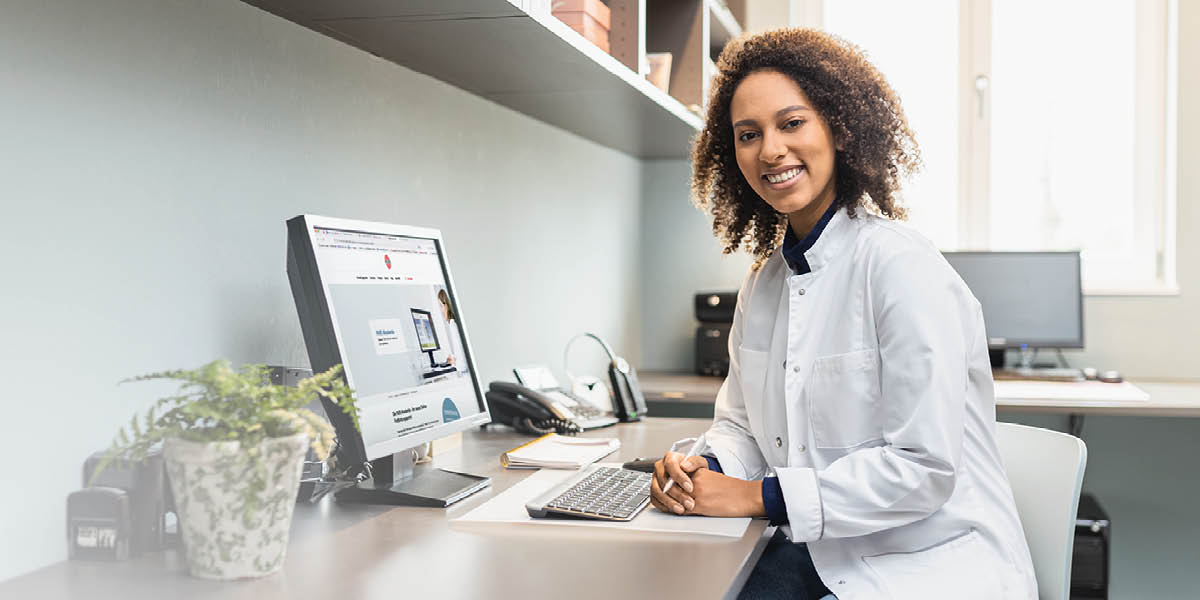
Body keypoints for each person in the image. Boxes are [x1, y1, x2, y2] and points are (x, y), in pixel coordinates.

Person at [649, 28, 1037, 599]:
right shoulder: (763, 284)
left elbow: (923, 468)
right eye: (748, 135)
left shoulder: (902, 266)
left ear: (838, 125)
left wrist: (760, 497)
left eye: (792, 123)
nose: (771, 150)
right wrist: (701, 471)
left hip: (929, 564)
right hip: (821, 552)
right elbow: (742, 427)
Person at [437, 288, 467, 374]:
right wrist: (454, 357)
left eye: (441, 306)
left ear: (446, 305)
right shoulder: (459, 321)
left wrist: (453, 362)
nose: (441, 310)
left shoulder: (453, 324)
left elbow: (462, 366)